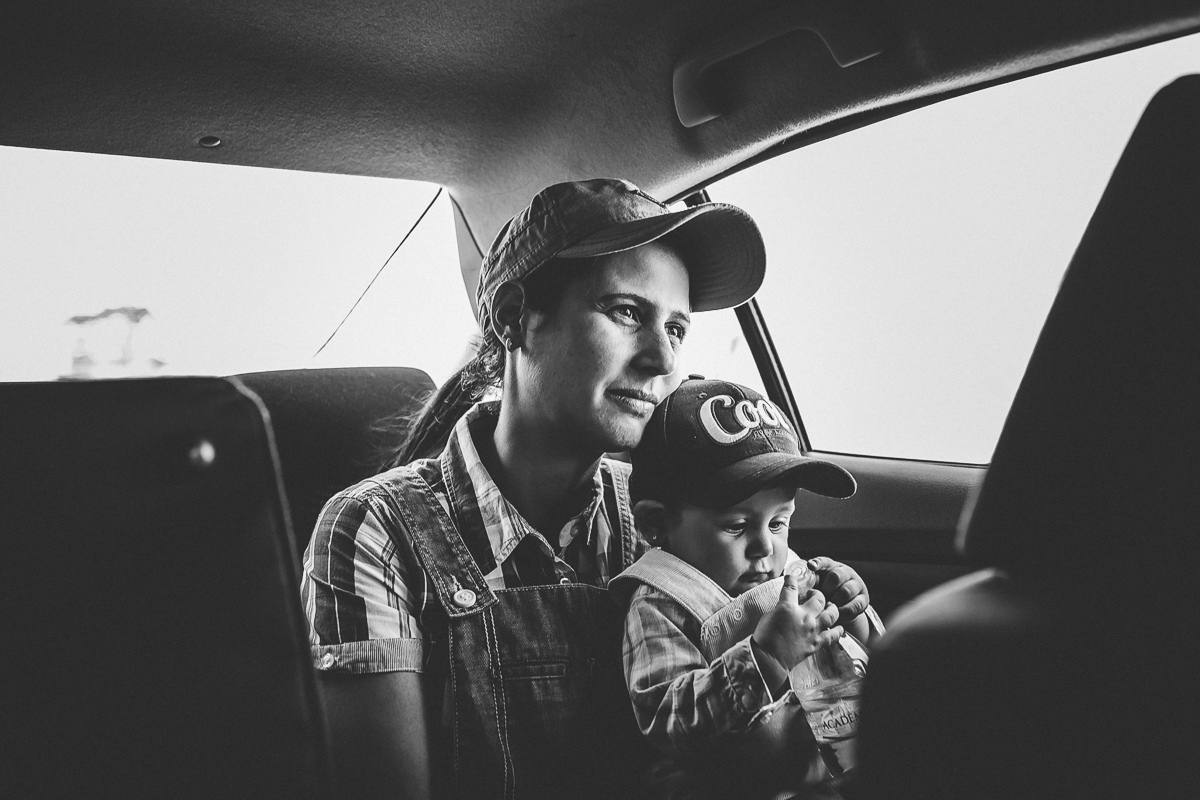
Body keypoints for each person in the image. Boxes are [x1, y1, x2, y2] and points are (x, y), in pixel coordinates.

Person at [299, 178, 768, 799]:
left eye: (677, 329)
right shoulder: (375, 531)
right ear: (514, 316)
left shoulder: (661, 518)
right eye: (627, 312)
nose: (662, 360)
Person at [609, 377, 885, 799]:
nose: (765, 546)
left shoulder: (791, 572)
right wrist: (766, 656)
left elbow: (871, 661)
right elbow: (669, 719)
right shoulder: (660, 605)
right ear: (656, 523)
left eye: (778, 522)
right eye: (737, 526)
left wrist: (852, 611)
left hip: (835, 770)